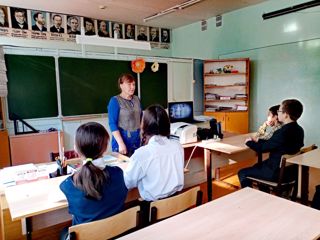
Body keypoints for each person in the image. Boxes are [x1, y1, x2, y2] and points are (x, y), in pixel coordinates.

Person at [59, 122, 128, 231]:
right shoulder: (118, 174)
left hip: (85, 236)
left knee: (63, 231)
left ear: (76, 149)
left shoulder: (68, 185)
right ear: (105, 148)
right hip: (117, 233)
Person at [238, 99, 304, 188]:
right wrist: (259, 141)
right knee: (257, 166)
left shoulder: (282, 132)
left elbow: (263, 149)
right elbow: (274, 143)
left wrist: (249, 142)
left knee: (242, 172)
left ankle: (250, 198)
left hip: (276, 172)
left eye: (279, 111)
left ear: (286, 115)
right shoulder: (299, 130)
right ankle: (264, 194)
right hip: (290, 171)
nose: (278, 113)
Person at [124, 105, 184, 201]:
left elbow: (128, 182)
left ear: (144, 127)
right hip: (178, 203)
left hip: (154, 210)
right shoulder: (178, 146)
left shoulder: (142, 154)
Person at [107, 74, 142, 156]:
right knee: (123, 166)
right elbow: (112, 124)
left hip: (137, 138)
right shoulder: (114, 101)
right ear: (121, 85)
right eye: (129, 84)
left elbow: (141, 118)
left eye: (133, 84)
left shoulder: (137, 99)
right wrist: (121, 143)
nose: (132, 87)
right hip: (123, 138)